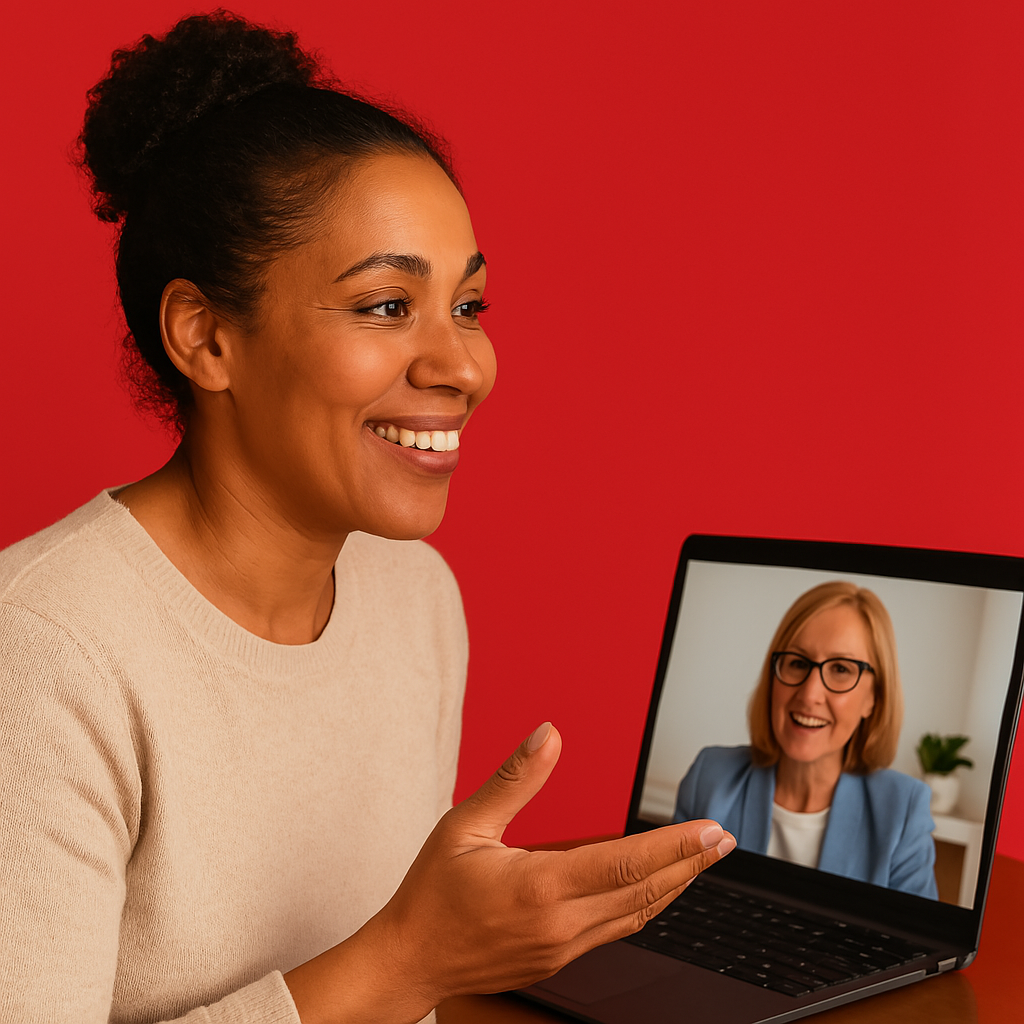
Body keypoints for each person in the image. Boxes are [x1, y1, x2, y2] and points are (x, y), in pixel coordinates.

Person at [0, 12, 736, 1024]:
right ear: (205, 336)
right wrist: (410, 955)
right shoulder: (43, 649)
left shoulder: (413, 596)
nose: (462, 366)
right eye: (386, 305)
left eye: (468, 306)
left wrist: (457, 944)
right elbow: (398, 970)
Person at [673, 581, 937, 899]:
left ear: (873, 699)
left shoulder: (904, 810)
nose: (810, 694)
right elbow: (659, 907)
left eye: (841, 668)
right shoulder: (709, 776)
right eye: (798, 663)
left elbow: (914, 942)